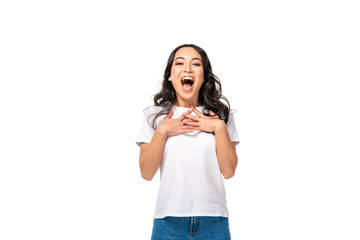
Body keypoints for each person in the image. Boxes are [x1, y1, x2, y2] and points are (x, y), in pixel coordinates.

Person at [136, 44, 239, 240]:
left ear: (204, 76)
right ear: (170, 75)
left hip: (214, 221)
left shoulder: (221, 115)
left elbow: (229, 171)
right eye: (180, 62)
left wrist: (218, 127)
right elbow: (146, 173)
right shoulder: (154, 116)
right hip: (168, 222)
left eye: (196, 63)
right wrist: (164, 130)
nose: (187, 69)